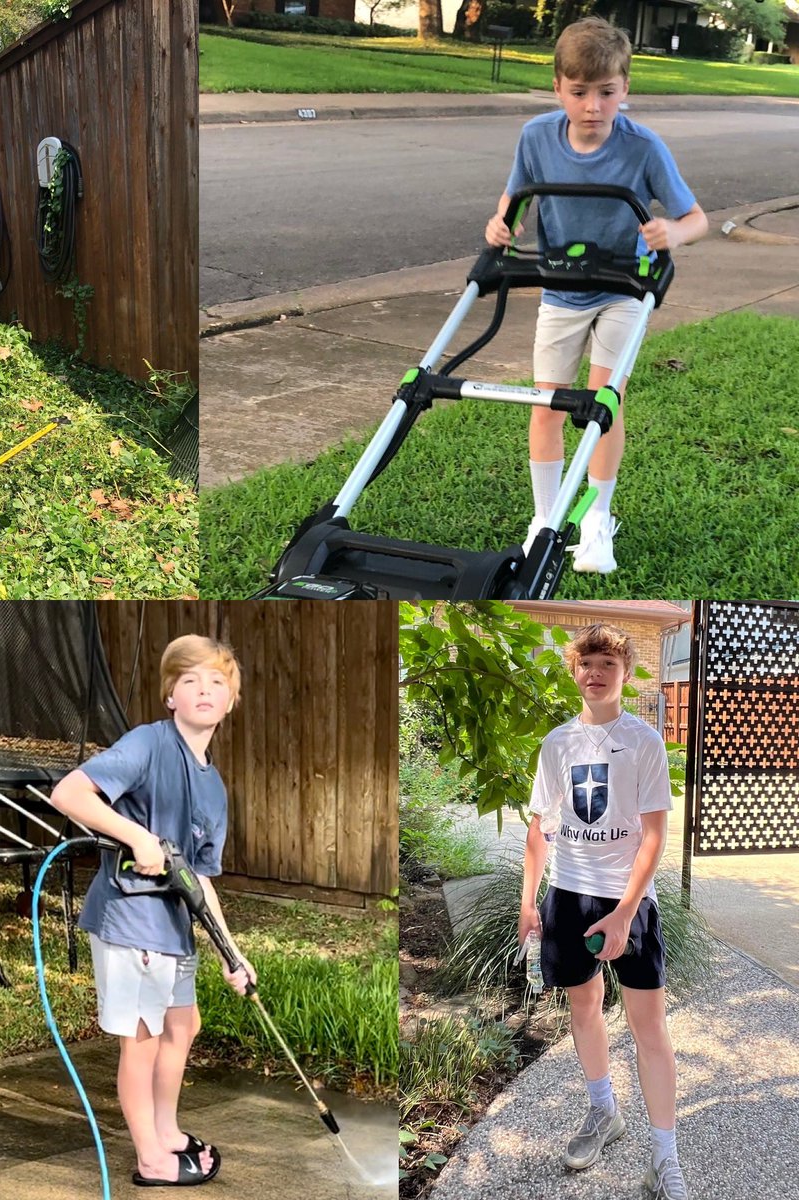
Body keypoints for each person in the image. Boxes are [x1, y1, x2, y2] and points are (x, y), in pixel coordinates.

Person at [484, 17, 708, 575]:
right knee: (546, 404)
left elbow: (695, 217)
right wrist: (500, 223)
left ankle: (597, 517)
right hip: (561, 288)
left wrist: (672, 233)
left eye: (606, 93)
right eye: (579, 92)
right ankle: (544, 517)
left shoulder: (644, 149)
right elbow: (516, 194)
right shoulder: (536, 136)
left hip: (623, 289)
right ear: (558, 87)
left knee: (603, 404)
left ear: (625, 89)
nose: (592, 106)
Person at [49, 635, 254, 1187]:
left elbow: (202, 880)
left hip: (174, 929)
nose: (204, 689)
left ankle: (167, 1131)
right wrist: (137, 836)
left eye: (216, 681)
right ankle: (150, 1159)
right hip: (131, 918)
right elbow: (69, 793)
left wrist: (231, 953)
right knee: (140, 1041)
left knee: (183, 1026)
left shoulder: (214, 788)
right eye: (190, 681)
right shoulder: (148, 743)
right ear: (171, 697)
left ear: (232, 700)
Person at [519, 623, 685, 1200]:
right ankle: (603, 1111)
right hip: (568, 894)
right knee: (583, 1006)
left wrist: (623, 913)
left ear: (624, 672)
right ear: (574, 671)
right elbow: (541, 827)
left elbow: (653, 838)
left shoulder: (644, 742)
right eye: (586, 663)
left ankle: (663, 1159)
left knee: (649, 1027)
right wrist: (528, 900)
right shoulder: (556, 744)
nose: (595, 673)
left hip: (628, 901)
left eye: (607, 664)